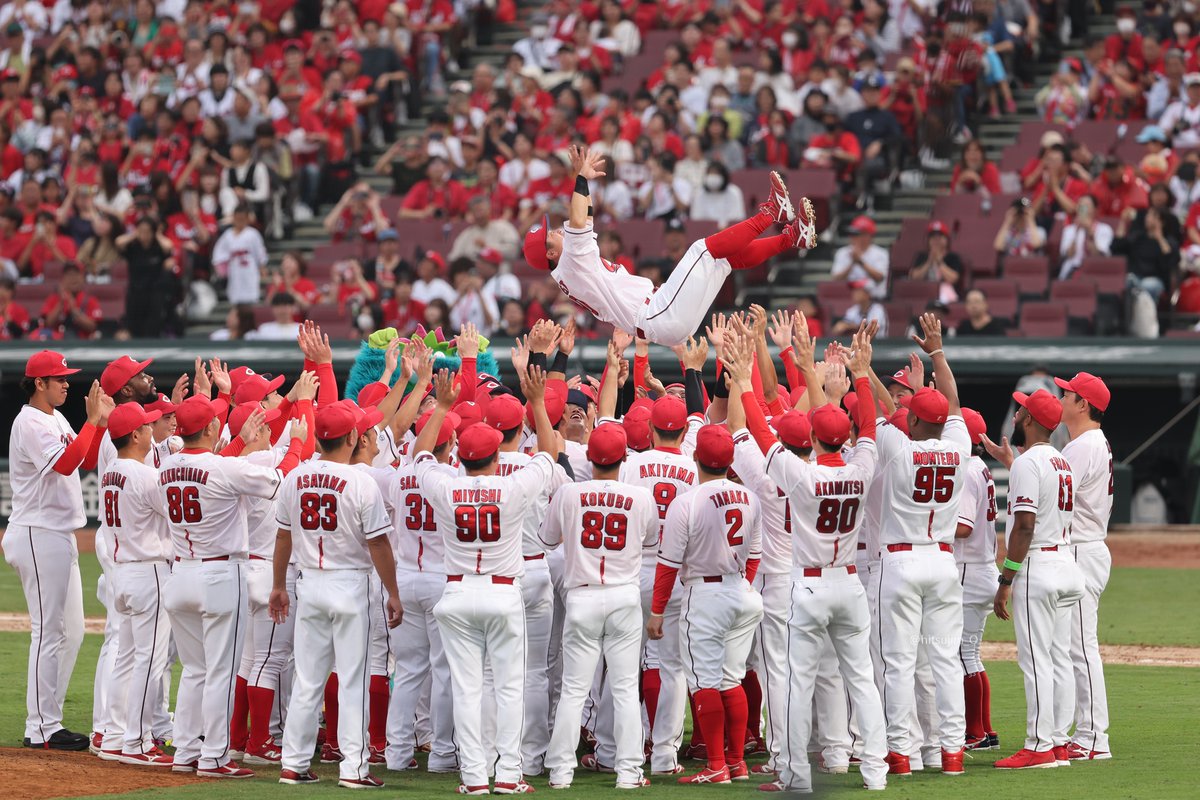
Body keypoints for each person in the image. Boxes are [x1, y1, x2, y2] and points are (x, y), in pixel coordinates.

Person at [726, 325, 889, 793]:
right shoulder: (862, 465)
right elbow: (871, 428)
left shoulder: (802, 476)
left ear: (814, 438)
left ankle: (796, 776)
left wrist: (741, 384)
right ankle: (874, 773)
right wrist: (859, 375)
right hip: (850, 583)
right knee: (861, 680)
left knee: (797, 684)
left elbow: (759, 432)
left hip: (809, 586)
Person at [413, 367, 559, 795]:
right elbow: (548, 454)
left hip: (457, 593)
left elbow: (420, 455)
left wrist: (440, 407)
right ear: (496, 459)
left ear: (460, 458)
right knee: (510, 687)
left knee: (467, 688)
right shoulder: (512, 488)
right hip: (501, 592)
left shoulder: (446, 486)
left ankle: (474, 779)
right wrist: (535, 403)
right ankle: (509, 775)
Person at [523, 146, 816, 347]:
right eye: (552, 235)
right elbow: (577, 217)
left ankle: (793, 237)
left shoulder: (570, 264)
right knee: (703, 248)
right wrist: (581, 179)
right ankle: (770, 213)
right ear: (550, 253)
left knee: (723, 260)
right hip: (655, 316)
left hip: (660, 316)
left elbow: (583, 217)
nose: (557, 230)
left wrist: (582, 184)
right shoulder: (569, 261)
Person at [158, 395, 306, 778]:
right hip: (220, 575)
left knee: (194, 670)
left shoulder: (168, 465)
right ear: (210, 429)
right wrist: (300, 444)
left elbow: (216, 463)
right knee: (220, 670)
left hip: (180, 573)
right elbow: (280, 480)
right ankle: (215, 757)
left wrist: (238, 441)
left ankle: (185, 751)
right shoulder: (223, 468)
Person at [270, 403, 402, 789]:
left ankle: (293, 763)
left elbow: (282, 536)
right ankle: (354, 768)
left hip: (309, 582)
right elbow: (378, 543)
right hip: (350, 583)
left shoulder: (296, 477)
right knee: (353, 679)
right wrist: (393, 592)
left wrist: (278, 585)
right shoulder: (361, 482)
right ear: (350, 438)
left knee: (309, 678)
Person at [875, 313, 971, 777]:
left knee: (899, 661)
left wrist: (862, 370)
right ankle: (952, 753)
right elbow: (950, 403)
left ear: (911, 418)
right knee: (944, 660)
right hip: (943, 563)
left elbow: (881, 407)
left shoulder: (899, 446)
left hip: (901, 563)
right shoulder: (959, 445)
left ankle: (901, 755)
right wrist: (938, 352)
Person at [540, 421, 658, 790]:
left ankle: (560, 771)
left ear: (589, 458)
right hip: (624, 594)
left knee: (574, 689)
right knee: (624, 689)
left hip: (582, 595)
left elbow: (547, 538)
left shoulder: (569, 493)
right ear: (624, 458)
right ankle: (628, 772)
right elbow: (651, 541)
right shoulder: (641, 496)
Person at [4, 351, 112, 751]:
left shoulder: (56, 417)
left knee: (73, 632)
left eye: (67, 377)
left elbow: (82, 456)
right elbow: (66, 465)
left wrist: (96, 425)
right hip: (37, 532)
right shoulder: (29, 421)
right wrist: (93, 422)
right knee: (48, 631)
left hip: (56, 532)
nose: (67, 383)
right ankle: (40, 727)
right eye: (59, 378)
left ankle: (50, 720)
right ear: (39, 383)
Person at [646, 424, 764, 784]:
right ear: (730, 461)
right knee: (731, 679)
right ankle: (736, 762)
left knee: (704, 683)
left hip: (705, 593)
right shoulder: (750, 498)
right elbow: (755, 557)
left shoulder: (689, 501)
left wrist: (656, 610)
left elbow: (667, 565)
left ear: (696, 457)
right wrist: (738, 588)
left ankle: (716, 765)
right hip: (741, 592)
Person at [984, 390, 1085, 770]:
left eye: (1023, 407)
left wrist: (1006, 578)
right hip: (1064, 560)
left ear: (1029, 419)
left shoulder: (1030, 462)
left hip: (1038, 567)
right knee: (1058, 658)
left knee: (1037, 661)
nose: (1018, 409)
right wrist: (1012, 462)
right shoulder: (1060, 460)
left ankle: (1039, 746)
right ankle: (1058, 742)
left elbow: (1024, 526)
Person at [94, 403, 174, 766]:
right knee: (149, 660)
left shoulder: (111, 469)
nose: (150, 430)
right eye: (145, 426)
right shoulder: (145, 475)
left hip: (122, 569)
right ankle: (138, 742)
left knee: (126, 658)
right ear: (137, 435)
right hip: (148, 571)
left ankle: (113, 735)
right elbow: (175, 514)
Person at [1053, 373, 1115, 761]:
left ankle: (1094, 738)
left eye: (1067, 393)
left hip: (1080, 550)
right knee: (1075, 646)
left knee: (1080, 647)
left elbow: (1052, 496)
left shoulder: (1083, 446)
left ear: (1083, 405)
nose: (1060, 397)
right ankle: (1086, 733)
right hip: (1084, 549)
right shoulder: (1089, 442)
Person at [954, 408, 1001, 752]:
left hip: (970, 570)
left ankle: (975, 732)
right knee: (970, 652)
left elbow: (963, 526)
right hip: (982, 567)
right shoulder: (981, 467)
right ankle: (984, 729)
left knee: (961, 654)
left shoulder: (968, 469)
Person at [213, 202, 269, 305]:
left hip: (249, 268)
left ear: (247, 219)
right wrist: (221, 269)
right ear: (233, 218)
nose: (240, 222)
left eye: (242, 219)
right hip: (234, 269)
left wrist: (262, 266)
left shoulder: (253, 234)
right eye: (238, 219)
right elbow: (219, 254)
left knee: (251, 295)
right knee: (235, 295)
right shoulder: (227, 235)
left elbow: (259, 252)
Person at [37, 263, 103, 339]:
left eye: (76, 274)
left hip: (83, 344)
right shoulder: (53, 299)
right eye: (69, 275)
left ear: (83, 278)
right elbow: (48, 324)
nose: (73, 278)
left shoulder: (90, 300)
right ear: (62, 279)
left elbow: (92, 327)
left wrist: (73, 308)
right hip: (56, 343)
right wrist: (62, 303)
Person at [830, 216, 889, 299]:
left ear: (868, 236)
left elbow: (879, 278)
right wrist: (852, 263)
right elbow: (835, 279)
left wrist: (860, 262)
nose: (852, 237)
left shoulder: (880, 253)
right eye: (852, 234)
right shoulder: (842, 252)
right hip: (848, 299)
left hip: (874, 299)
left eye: (857, 234)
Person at [910, 221, 963, 302]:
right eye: (933, 237)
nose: (936, 240)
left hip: (946, 293)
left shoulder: (953, 257)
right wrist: (929, 262)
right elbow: (914, 277)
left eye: (940, 236)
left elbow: (953, 279)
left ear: (946, 239)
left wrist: (939, 262)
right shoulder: (921, 256)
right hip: (924, 290)